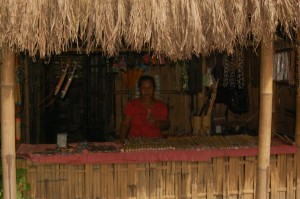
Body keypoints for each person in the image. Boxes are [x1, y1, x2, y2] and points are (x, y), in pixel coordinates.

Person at [120, 75, 170, 139]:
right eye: (143, 87)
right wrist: (122, 138)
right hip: (135, 143)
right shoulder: (132, 104)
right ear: (139, 89)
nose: (147, 90)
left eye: (150, 87)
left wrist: (156, 122)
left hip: (155, 143)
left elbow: (167, 125)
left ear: (154, 88)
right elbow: (125, 124)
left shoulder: (161, 105)